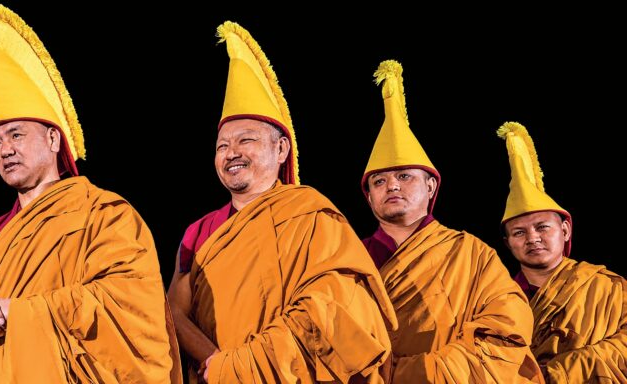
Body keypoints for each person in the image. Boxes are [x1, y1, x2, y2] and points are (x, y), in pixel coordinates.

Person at [0, 3, 180, 382]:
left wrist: (21, 313)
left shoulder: (103, 213)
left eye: (17, 135)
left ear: (54, 139)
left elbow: (130, 303)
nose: (5, 150)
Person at [166, 21, 396, 383]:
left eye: (246, 141)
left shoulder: (311, 215)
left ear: (281, 149)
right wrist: (222, 364)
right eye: (222, 146)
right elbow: (175, 315)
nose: (232, 153)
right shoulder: (199, 232)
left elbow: (334, 308)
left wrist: (248, 364)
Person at [360, 60, 541, 382]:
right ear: (369, 196)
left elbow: (508, 322)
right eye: (379, 182)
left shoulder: (471, 253)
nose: (392, 186)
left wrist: (429, 370)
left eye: (404, 176)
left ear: (431, 186)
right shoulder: (351, 257)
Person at [498, 121, 627, 382]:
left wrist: (561, 371)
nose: (532, 238)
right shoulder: (499, 298)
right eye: (519, 233)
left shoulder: (606, 288)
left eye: (542, 227)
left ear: (565, 230)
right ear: (508, 243)